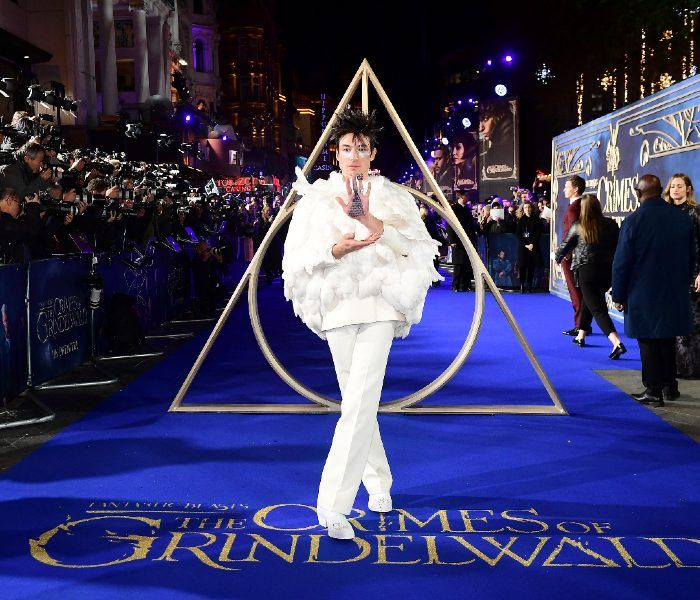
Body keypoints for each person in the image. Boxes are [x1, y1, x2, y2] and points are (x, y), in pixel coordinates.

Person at [282, 108, 441, 540]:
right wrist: (336, 249)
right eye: (347, 147)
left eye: (362, 147)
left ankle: (333, 503)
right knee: (358, 400)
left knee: (359, 399)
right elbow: (294, 260)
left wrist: (374, 223)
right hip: (336, 308)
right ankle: (380, 481)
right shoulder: (314, 200)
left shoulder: (395, 197)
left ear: (373, 153)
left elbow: (418, 250)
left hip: (379, 307)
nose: (354, 155)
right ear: (335, 151)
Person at [612, 174, 695, 406]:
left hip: (643, 292)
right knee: (667, 338)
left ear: (638, 194)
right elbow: (691, 257)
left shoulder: (633, 221)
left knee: (648, 341)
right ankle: (670, 387)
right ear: (661, 191)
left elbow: (621, 263)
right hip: (673, 291)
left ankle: (653, 390)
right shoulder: (681, 219)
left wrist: (618, 295)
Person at [554, 194, 624, 358]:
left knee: (598, 309)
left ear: (583, 209)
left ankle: (616, 343)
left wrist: (557, 258)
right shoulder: (611, 225)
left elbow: (564, 246)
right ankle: (581, 335)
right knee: (589, 300)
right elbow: (620, 246)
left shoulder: (578, 226)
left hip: (587, 272)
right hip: (607, 272)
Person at [663, 173, 700, 381]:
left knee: (692, 322)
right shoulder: (666, 213)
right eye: (673, 186)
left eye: (679, 186)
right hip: (670, 275)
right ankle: (675, 366)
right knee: (672, 321)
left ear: (688, 189)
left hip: (692, 273)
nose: (675, 189)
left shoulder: (696, 212)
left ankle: (692, 369)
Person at [560, 175, 587, 337]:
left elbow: (573, 234)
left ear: (575, 189)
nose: (564, 189)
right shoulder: (581, 205)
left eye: (567, 186)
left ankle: (580, 326)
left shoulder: (573, 209)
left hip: (570, 256)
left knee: (575, 292)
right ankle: (582, 325)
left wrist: (565, 254)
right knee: (579, 291)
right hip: (578, 255)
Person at [446, 189, 476, 291]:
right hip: (457, 241)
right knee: (458, 265)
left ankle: (464, 285)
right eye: (466, 196)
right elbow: (449, 225)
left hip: (467, 241)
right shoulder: (453, 209)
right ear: (461, 197)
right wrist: (452, 240)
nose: (468, 198)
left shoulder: (467, 209)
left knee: (466, 264)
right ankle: (455, 285)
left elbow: (470, 225)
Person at [515, 201, 542, 293]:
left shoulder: (536, 219)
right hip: (523, 247)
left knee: (531, 266)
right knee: (522, 266)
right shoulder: (521, 219)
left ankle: (529, 286)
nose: (527, 209)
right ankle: (522, 285)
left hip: (533, 246)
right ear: (523, 209)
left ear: (532, 208)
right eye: (525, 207)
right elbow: (518, 234)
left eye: (529, 207)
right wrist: (526, 244)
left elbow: (538, 233)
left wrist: (532, 244)